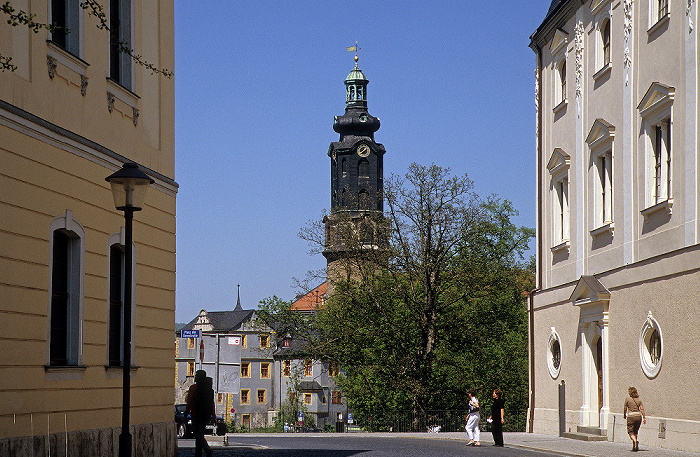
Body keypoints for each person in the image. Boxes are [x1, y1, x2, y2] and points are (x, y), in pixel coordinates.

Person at [186, 370, 215, 457]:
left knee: (197, 434)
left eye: (196, 375)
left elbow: (189, 401)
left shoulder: (193, 388)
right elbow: (212, 403)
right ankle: (198, 454)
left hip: (196, 414)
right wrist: (214, 415)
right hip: (206, 415)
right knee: (200, 434)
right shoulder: (208, 389)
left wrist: (186, 413)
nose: (194, 377)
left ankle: (207, 449)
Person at [623, 386, 646, 452]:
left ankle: (635, 441)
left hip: (631, 416)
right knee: (635, 432)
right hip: (638, 416)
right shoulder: (639, 399)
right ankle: (634, 447)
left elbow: (625, 408)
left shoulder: (627, 399)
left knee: (630, 431)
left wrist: (624, 415)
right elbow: (642, 409)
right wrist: (644, 417)